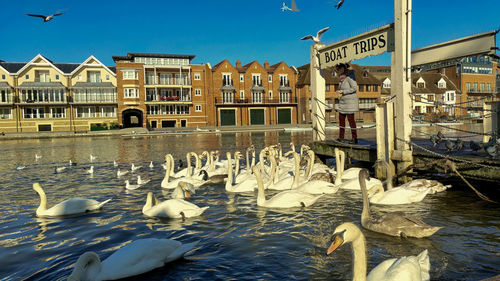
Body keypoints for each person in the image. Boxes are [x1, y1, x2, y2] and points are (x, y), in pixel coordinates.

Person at [334, 63, 359, 144]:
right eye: (337, 70)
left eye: (338, 69)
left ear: (343, 67)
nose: (337, 71)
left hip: (350, 103)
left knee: (351, 121)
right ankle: (341, 137)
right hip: (343, 103)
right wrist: (339, 92)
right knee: (341, 120)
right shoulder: (341, 78)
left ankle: (354, 138)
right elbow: (342, 89)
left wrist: (343, 91)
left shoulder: (350, 76)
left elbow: (354, 88)